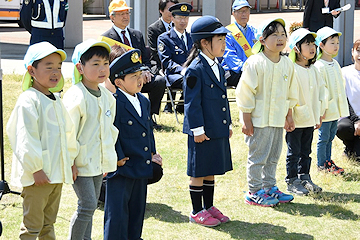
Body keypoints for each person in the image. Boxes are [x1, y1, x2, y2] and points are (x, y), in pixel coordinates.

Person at [6, 42, 77, 239]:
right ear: (32, 70)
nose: (55, 72)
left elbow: (68, 134)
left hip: (56, 175)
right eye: (49, 67)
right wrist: (35, 168)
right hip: (39, 177)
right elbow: (24, 137)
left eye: (59, 67)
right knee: (32, 226)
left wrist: (70, 162)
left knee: (48, 224)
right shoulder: (28, 100)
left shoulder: (55, 99)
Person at [236, 18, 297, 207]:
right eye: (274, 35)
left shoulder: (287, 64)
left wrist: (289, 115)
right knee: (258, 157)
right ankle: (254, 191)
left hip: (278, 119)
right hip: (259, 119)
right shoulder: (255, 62)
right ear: (262, 40)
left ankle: (270, 187)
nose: (280, 38)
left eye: (282, 34)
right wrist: (246, 119)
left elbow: (290, 92)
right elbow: (245, 92)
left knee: (273, 155)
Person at [104, 49, 163, 239]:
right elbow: (110, 132)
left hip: (141, 165)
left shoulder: (144, 101)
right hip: (122, 169)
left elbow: (148, 130)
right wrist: (118, 157)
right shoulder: (113, 102)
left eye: (140, 75)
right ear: (119, 82)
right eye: (133, 76)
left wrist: (153, 153)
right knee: (117, 215)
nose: (139, 80)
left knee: (137, 212)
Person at [62, 39, 118, 240]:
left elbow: (109, 129)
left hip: (97, 162)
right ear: (80, 67)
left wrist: (107, 159)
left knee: (92, 204)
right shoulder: (76, 96)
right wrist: (70, 162)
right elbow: (68, 133)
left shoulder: (107, 95)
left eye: (105, 64)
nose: (102, 69)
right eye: (95, 64)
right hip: (80, 163)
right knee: (87, 204)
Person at [182, 15, 232, 227]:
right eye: (219, 40)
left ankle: (209, 206)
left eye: (224, 39)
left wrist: (227, 123)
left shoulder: (217, 65)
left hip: (215, 126)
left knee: (211, 167)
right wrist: (197, 129)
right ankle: (196, 210)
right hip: (201, 130)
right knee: (199, 170)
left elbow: (223, 98)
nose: (223, 44)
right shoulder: (195, 69)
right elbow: (192, 104)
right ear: (204, 42)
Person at [102, 0, 166, 129]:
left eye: (127, 13)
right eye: (121, 14)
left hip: (141, 75)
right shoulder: (106, 38)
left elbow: (146, 59)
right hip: (123, 78)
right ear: (112, 17)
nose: (126, 17)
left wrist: (146, 71)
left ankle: (150, 116)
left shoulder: (137, 34)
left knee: (159, 81)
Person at [285, 28, 327, 195]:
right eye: (307, 44)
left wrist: (320, 113)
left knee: (306, 151)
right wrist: (288, 117)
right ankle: (291, 180)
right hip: (295, 119)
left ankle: (305, 177)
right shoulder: (292, 69)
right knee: (293, 151)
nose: (312, 48)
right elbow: (288, 94)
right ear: (296, 48)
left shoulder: (314, 69)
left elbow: (321, 92)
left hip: (309, 119)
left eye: (313, 44)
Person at [314, 27, 349, 174]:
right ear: (321, 45)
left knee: (331, 136)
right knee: (324, 136)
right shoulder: (319, 65)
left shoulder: (335, 63)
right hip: (325, 110)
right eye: (332, 42)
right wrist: (322, 109)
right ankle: (321, 163)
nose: (336, 46)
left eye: (337, 43)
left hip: (335, 109)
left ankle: (328, 161)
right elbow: (320, 91)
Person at [158, 2, 193, 113]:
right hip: (173, 74)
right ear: (172, 18)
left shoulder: (191, 37)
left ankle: (181, 107)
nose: (183, 21)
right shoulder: (165, 38)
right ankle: (182, 108)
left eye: (185, 18)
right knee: (191, 80)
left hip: (190, 72)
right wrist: (182, 70)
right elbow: (167, 61)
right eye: (180, 18)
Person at [221, 0, 256, 87]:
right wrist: (245, 68)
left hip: (252, 70)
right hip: (233, 71)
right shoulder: (227, 33)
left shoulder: (254, 31)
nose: (244, 14)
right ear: (233, 13)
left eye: (246, 11)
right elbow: (229, 56)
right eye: (240, 11)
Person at [336, 39, 360, 161]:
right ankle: (349, 145)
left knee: (357, 158)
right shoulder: (344, 72)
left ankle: (354, 149)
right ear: (352, 52)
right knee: (342, 128)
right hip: (350, 119)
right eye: (358, 50)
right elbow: (342, 98)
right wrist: (356, 120)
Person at [147, 0, 179, 74]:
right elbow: (155, 52)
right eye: (169, 9)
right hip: (160, 65)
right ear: (161, 10)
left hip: (178, 64)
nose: (172, 12)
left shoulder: (178, 26)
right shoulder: (153, 29)